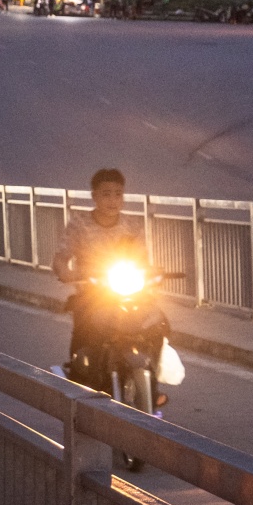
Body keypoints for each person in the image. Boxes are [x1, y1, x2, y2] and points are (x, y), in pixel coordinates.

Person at [52, 168, 165, 405]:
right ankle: (77, 373)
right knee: (84, 327)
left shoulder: (132, 225)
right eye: (106, 194)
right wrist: (65, 271)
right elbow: (62, 255)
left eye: (117, 194)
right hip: (93, 293)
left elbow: (142, 258)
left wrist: (154, 272)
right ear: (94, 196)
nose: (112, 200)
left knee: (157, 323)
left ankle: (152, 382)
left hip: (129, 291)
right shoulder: (80, 223)